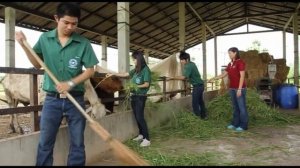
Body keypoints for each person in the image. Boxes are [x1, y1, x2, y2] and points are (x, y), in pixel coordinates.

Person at [15, 2, 99, 166]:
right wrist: (24, 45)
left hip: (75, 99)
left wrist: (70, 83)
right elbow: (37, 64)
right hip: (52, 100)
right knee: (45, 142)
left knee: (77, 143)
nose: (70, 27)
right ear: (56, 18)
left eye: (74, 23)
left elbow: (90, 70)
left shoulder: (83, 43)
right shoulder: (45, 39)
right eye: (66, 22)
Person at [107, 51, 151, 147]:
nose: (134, 61)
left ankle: (147, 139)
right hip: (134, 96)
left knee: (140, 117)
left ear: (138, 59)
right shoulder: (136, 69)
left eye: (134, 59)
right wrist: (113, 74)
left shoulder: (145, 70)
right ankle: (141, 134)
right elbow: (126, 74)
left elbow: (147, 84)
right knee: (136, 115)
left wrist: (136, 86)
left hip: (140, 97)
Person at [208, 47, 248, 132]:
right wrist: (213, 78)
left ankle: (244, 125)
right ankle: (235, 123)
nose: (229, 55)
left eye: (230, 53)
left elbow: (242, 76)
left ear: (235, 53)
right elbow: (223, 74)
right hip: (232, 88)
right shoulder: (230, 64)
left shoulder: (240, 63)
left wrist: (240, 89)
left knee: (242, 108)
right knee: (235, 107)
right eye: (228, 53)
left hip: (239, 88)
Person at [170, 51, 207, 120]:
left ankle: (197, 118)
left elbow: (184, 77)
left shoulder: (188, 66)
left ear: (187, 59)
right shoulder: (192, 64)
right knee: (200, 101)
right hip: (200, 85)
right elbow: (189, 76)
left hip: (197, 86)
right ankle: (204, 116)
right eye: (180, 60)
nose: (181, 61)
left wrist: (172, 77)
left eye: (182, 60)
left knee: (194, 102)